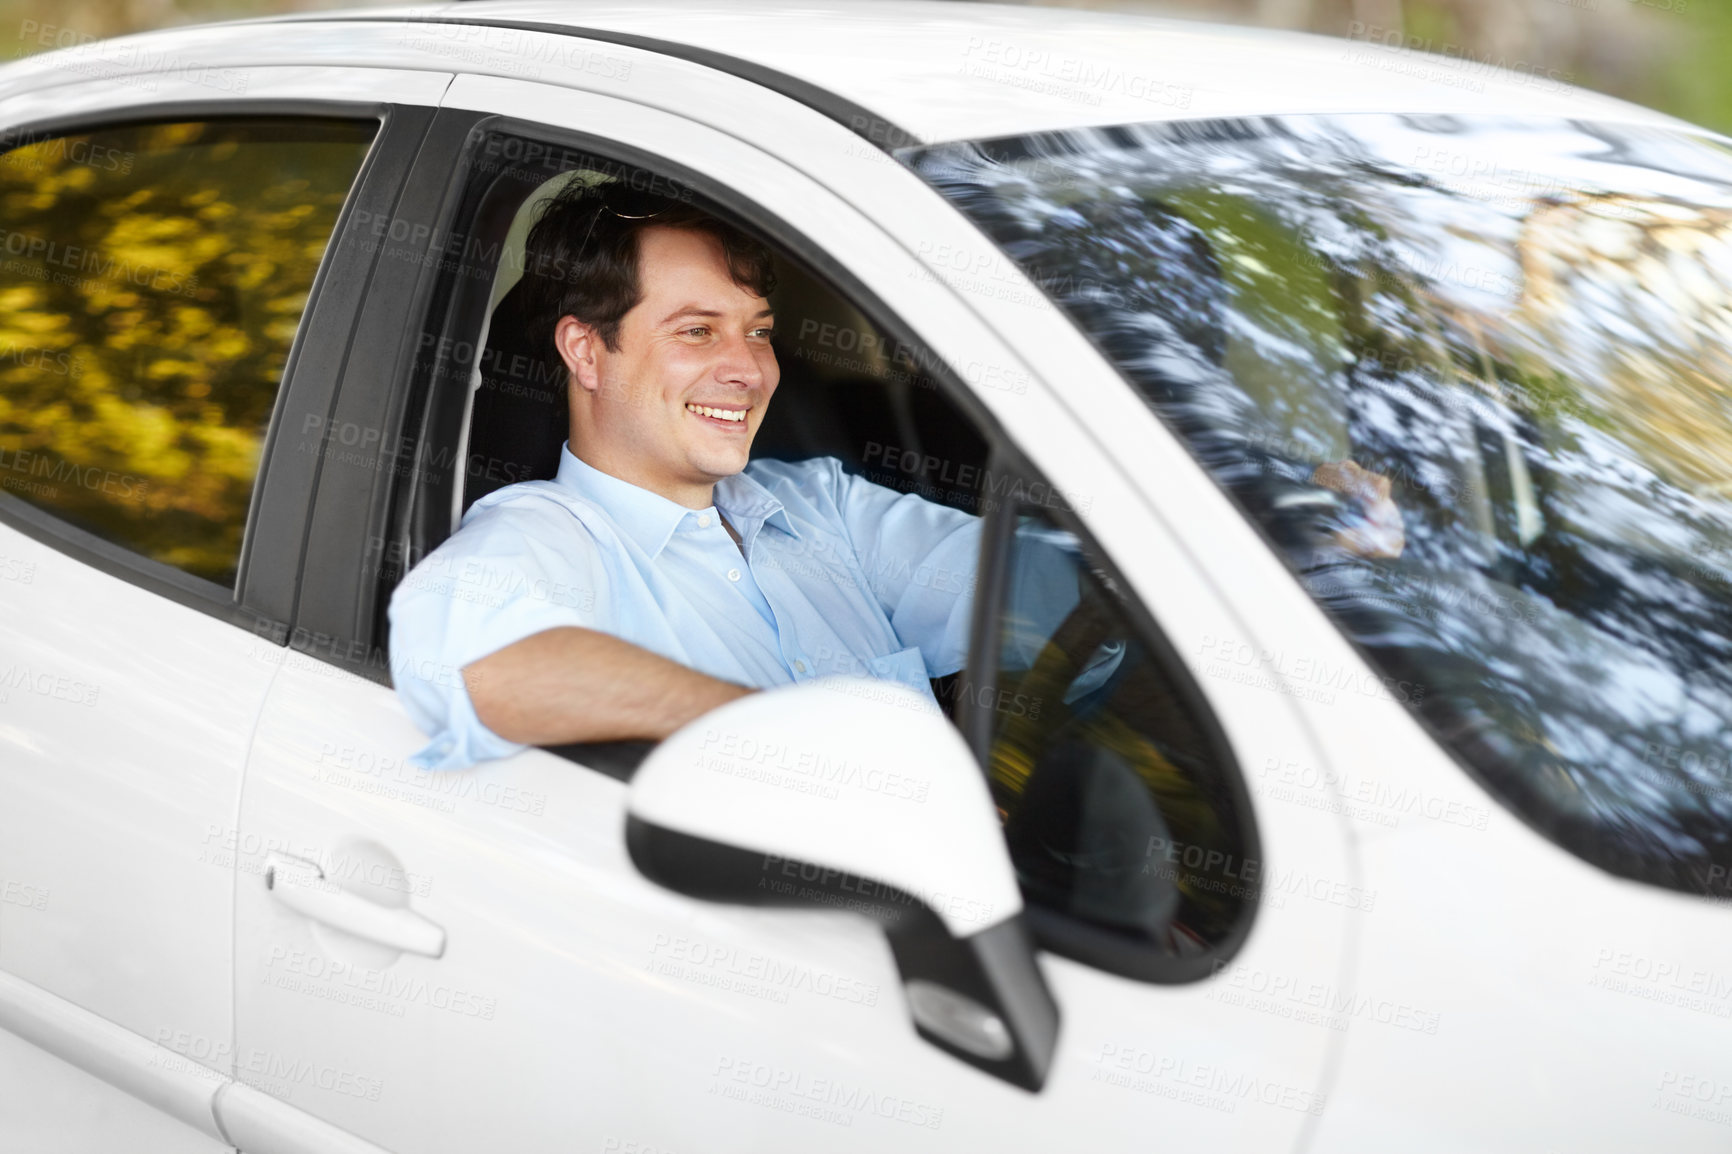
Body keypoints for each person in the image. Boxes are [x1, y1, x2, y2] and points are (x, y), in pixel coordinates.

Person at [387, 177, 1402, 772]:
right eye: (696, 332)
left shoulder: (813, 503)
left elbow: (1060, 587)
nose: (748, 370)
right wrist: (787, 739)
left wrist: (1270, 515)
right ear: (585, 352)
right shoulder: (546, 534)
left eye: (758, 332)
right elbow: (485, 668)